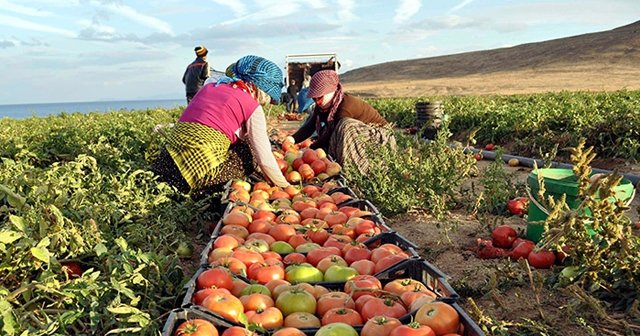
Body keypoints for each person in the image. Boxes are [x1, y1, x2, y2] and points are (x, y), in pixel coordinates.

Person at [153, 55, 290, 196]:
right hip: (198, 179)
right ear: (261, 89)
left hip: (166, 167)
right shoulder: (251, 105)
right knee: (249, 153)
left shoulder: (209, 88)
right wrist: (285, 186)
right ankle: (203, 191)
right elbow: (264, 157)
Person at [286, 70, 395, 174]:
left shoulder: (345, 105)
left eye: (319, 97)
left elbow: (332, 133)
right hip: (358, 135)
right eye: (314, 99)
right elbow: (310, 126)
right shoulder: (323, 107)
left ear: (331, 91)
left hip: (377, 137)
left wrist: (309, 151)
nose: (316, 101)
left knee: (344, 125)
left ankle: (357, 170)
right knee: (329, 130)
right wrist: (291, 140)